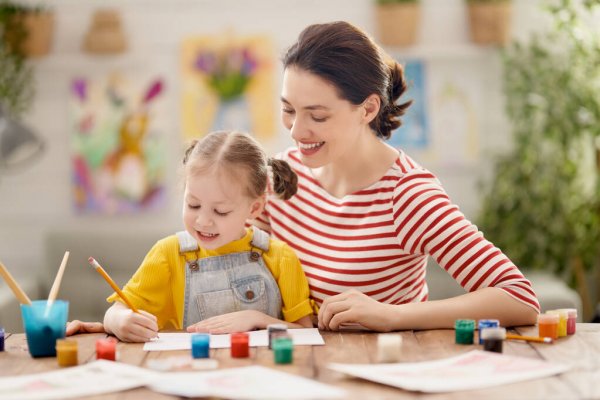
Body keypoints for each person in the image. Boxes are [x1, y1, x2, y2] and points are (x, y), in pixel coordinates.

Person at [249, 21, 540, 332]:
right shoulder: (279, 177)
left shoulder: (407, 194)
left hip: (383, 367)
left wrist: (392, 315)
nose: (296, 130)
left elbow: (519, 299)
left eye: (317, 116)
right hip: (296, 369)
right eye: (289, 110)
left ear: (368, 109)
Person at [102, 130, 313, 342]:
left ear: (254, 208)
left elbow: (306, 332)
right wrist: (119, 321)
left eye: (220, 211)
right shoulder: (168, 254)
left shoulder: (280, 257)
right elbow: (113, 313)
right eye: (193, 205)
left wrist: (257, 319)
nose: (203, 221)